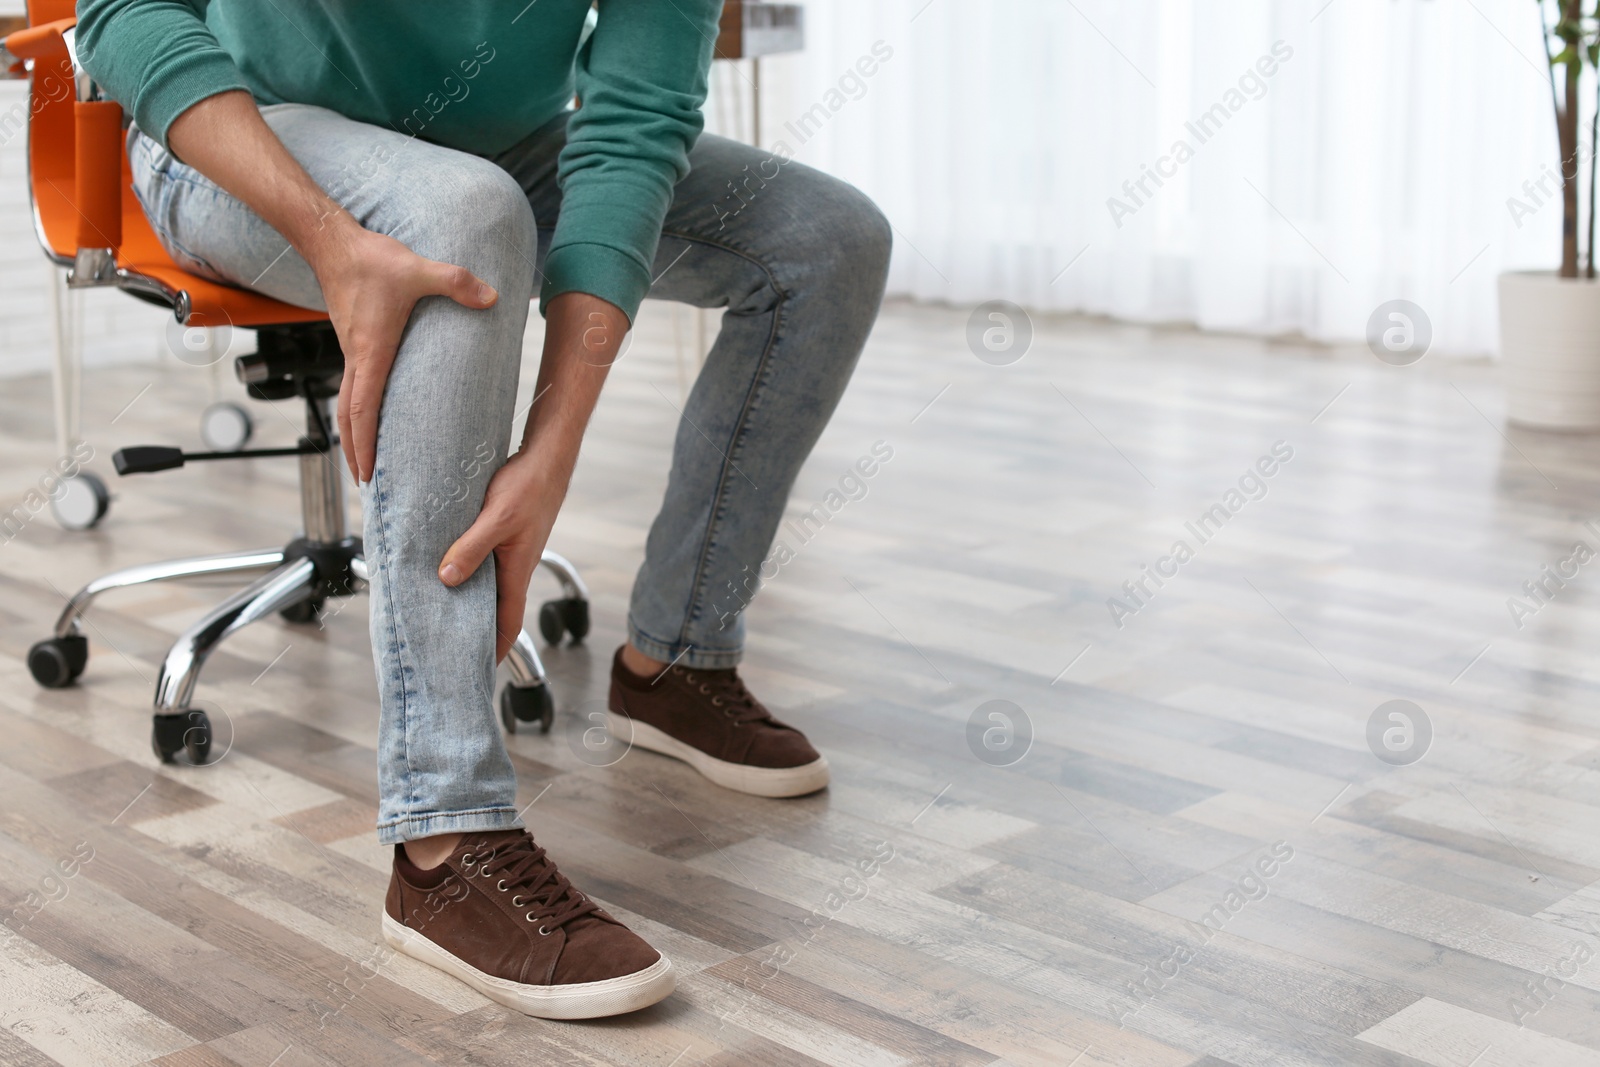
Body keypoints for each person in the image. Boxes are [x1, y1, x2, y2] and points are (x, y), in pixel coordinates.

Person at [78, 0, 890, 1020]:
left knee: (826, 240)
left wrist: (550, 448)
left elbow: (633, 118)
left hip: (500, 152)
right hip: (239, 139)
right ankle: (442, 835)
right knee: (466, 214)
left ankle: (675, 658)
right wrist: (334, 242)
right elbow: (122, 13)